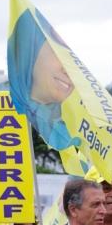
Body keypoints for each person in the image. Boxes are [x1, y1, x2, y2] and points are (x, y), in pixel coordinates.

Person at [8, 9, 76, 150]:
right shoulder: (24, 113)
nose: (68, 68)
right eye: (58, 54)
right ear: (29, 56)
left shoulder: (71, 123)